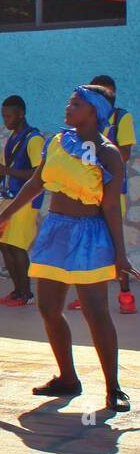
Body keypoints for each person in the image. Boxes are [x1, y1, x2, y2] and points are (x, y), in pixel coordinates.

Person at [0, 85, 136, 411]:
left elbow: (111, 208)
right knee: (47, 308)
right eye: (69, 101)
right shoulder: (58, 141)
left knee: (96, 312)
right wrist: (5, 215)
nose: (68, 107)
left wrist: (120, 254)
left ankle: (114, 388)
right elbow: (36, 181)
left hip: (90, 236)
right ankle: (68, 379)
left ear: (94, 112)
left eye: (76, 104)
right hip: (56, 231)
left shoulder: (107, 153)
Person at [69, 74, 135, 314]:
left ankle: (126, 294)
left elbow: (124, 153)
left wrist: (100, 160)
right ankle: (87, 296)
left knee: (115, 244)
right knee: (88, 244)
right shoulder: (84, 121)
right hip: (86, 191)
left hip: (111, 190)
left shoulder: (121, 118)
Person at [0, 95, 44, 307]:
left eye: (8, 116)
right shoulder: (13, 137)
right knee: (4, 244)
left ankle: (27, 293)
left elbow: (39, 173)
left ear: (21, 114)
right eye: (3, 116)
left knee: (16, 245)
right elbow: (5, 170)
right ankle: (17, 290)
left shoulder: (34, 139)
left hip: (27, 201)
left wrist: (7, 170)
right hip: (10, 198)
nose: (5, 120)